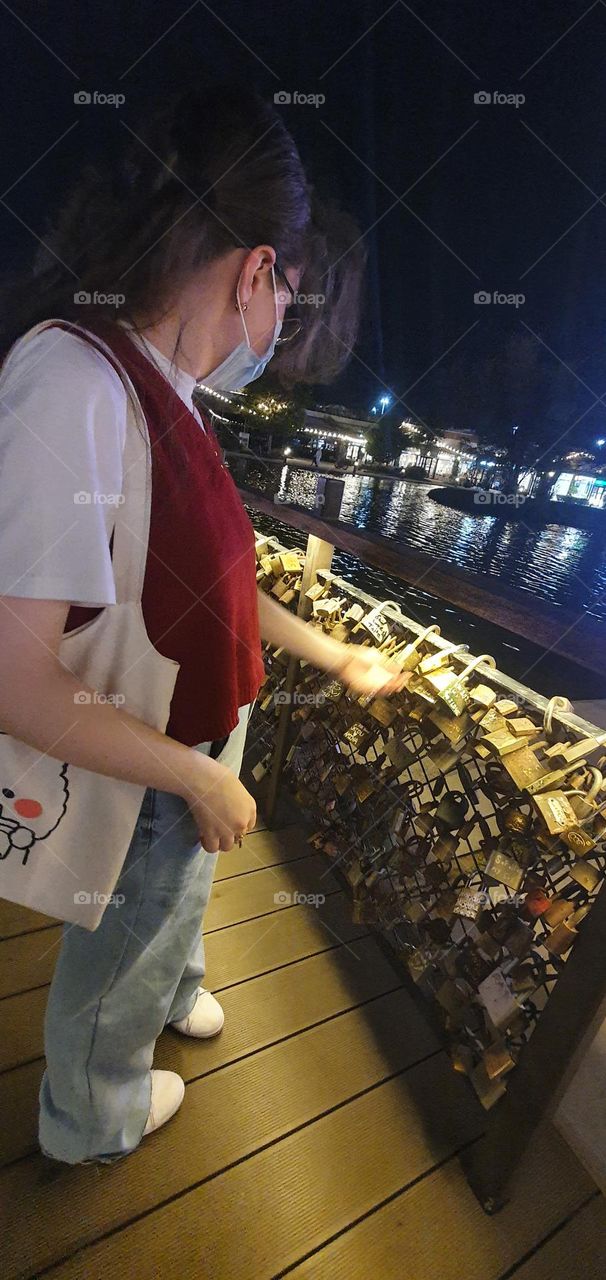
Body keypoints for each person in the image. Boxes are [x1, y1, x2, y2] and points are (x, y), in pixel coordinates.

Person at [0, 85, 404, 1164]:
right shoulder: (75, 381)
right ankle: (91, 1116)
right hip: (150, 762)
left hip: (193, 747)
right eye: (289, 297)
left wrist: (331, 653)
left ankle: (171, 989)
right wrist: (194, 776)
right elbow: (16, 678)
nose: (281, 329)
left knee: (166, 906)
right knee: (119, 938)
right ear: (258, 269)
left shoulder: (164, 386)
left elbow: (212, 584)